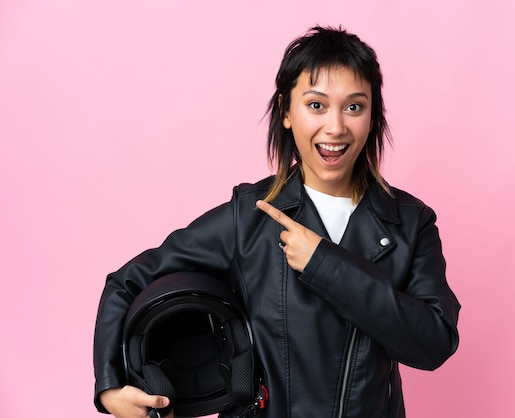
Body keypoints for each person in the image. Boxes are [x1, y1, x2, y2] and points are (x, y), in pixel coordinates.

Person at [93, 25, 460, 418]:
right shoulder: (249, 217)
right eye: (316, 105)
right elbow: (126, 282)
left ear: (373, 116)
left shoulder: (409, 222)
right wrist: (110, 387)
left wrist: (323, 262)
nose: (335, 127)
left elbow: (434, 344)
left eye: (354, 106)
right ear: (286, 112)